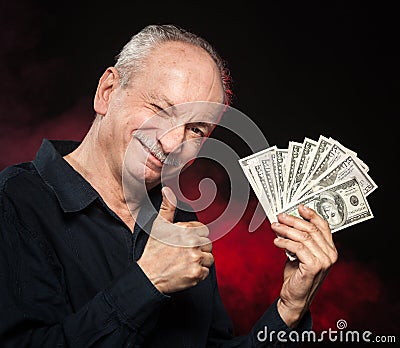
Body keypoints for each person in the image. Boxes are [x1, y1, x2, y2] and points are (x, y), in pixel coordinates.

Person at [0, 24, 338, 347]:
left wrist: (289, 309)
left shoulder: (182, 223)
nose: (172, 141)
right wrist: (148, 283)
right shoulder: (14, 202)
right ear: (107, 93)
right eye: (160, 109)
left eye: (195, 130)